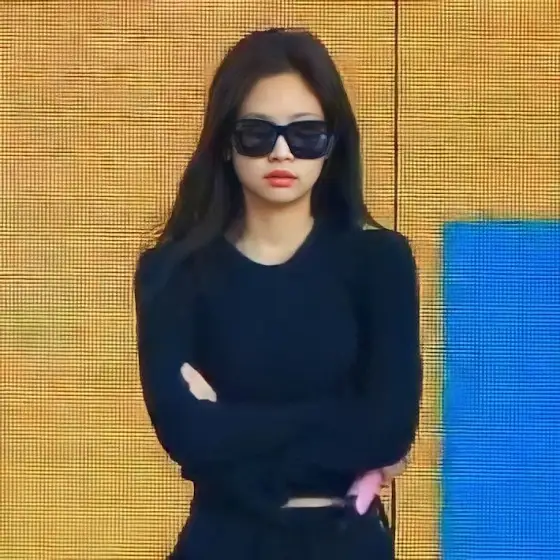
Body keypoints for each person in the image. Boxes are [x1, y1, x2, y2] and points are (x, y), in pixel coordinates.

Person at [134, 27, 422, 560]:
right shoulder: (173, 272)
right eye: (257, 134)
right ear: (226, 143)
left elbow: (387, 431)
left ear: (333, 143)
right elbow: (186, 436)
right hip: (221, 544)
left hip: (345, 543)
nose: (282, 152)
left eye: (306, 133)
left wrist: (229, 424)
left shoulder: (379, 263)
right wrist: (337, 419)